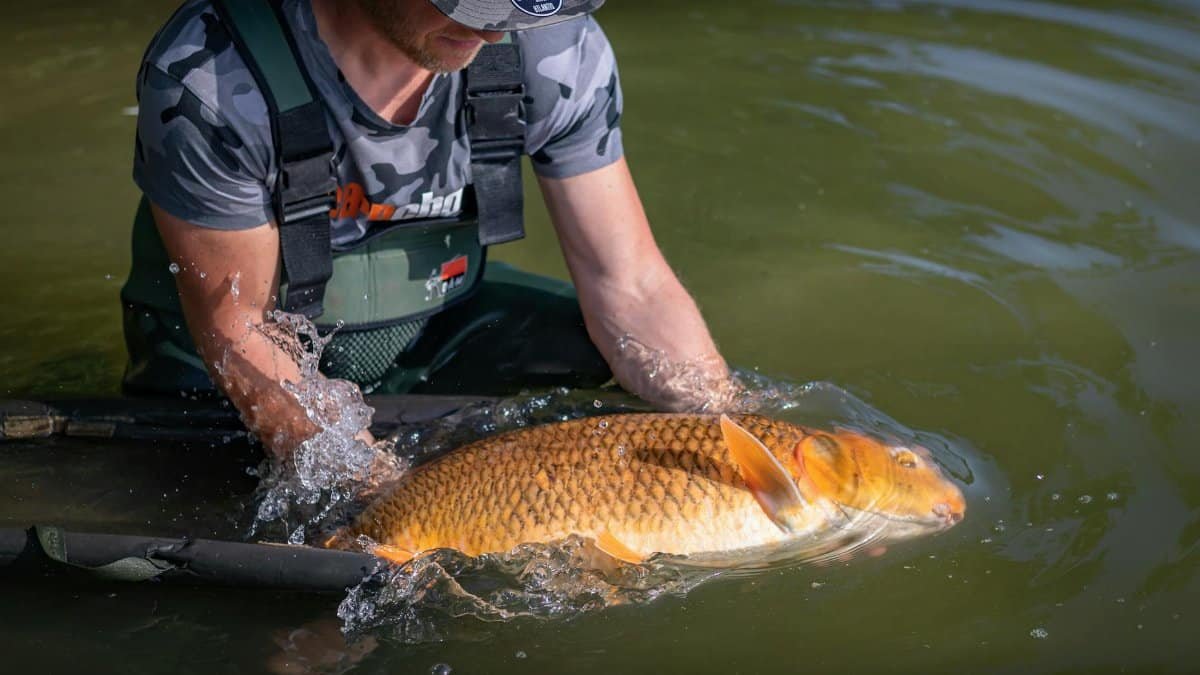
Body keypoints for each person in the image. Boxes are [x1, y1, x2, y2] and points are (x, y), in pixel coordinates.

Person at [121, 0, 734, 461]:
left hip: (433, 330)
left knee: (596, 360)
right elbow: (239, 329)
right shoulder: (211, 78)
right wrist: (373, 489)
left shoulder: (551, 47)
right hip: (228, 363)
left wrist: (731, 432)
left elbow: (630, 284)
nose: (495, 29)